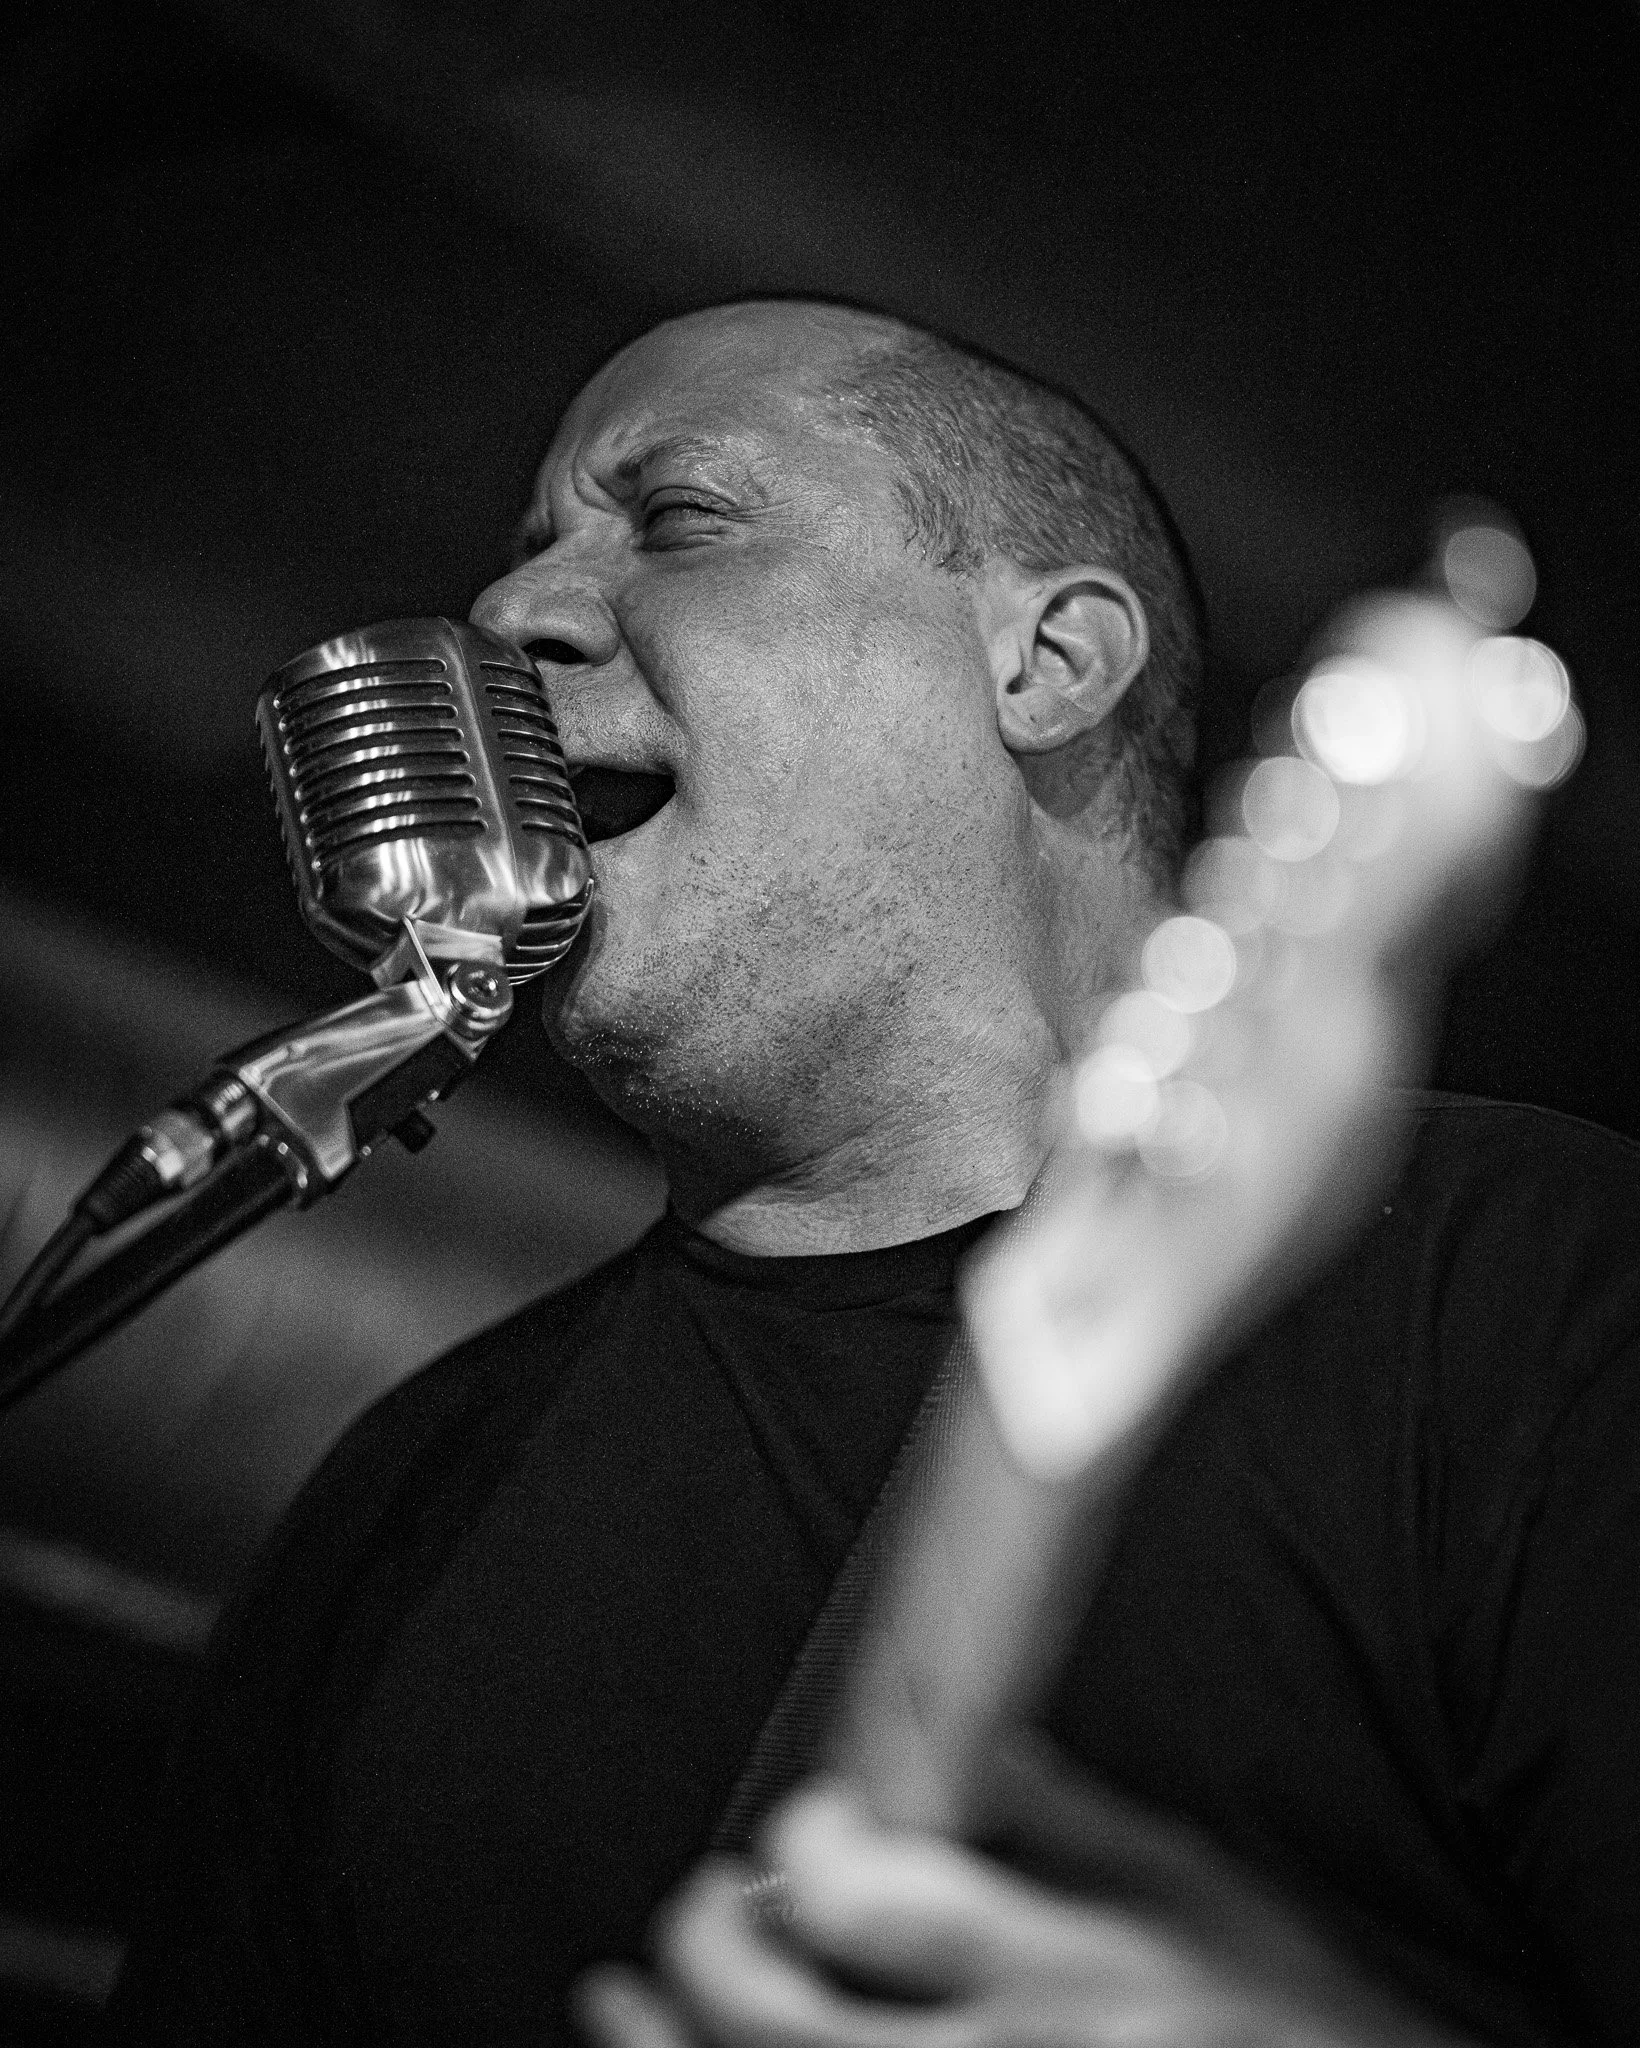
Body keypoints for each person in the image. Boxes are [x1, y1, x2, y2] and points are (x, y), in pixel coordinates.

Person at [109, 299, 1640, 2047]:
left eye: (677, 519)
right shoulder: (402, 1503)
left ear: (1049, 661)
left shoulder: (1523, 1286)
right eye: (530, 555)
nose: (510, 616)